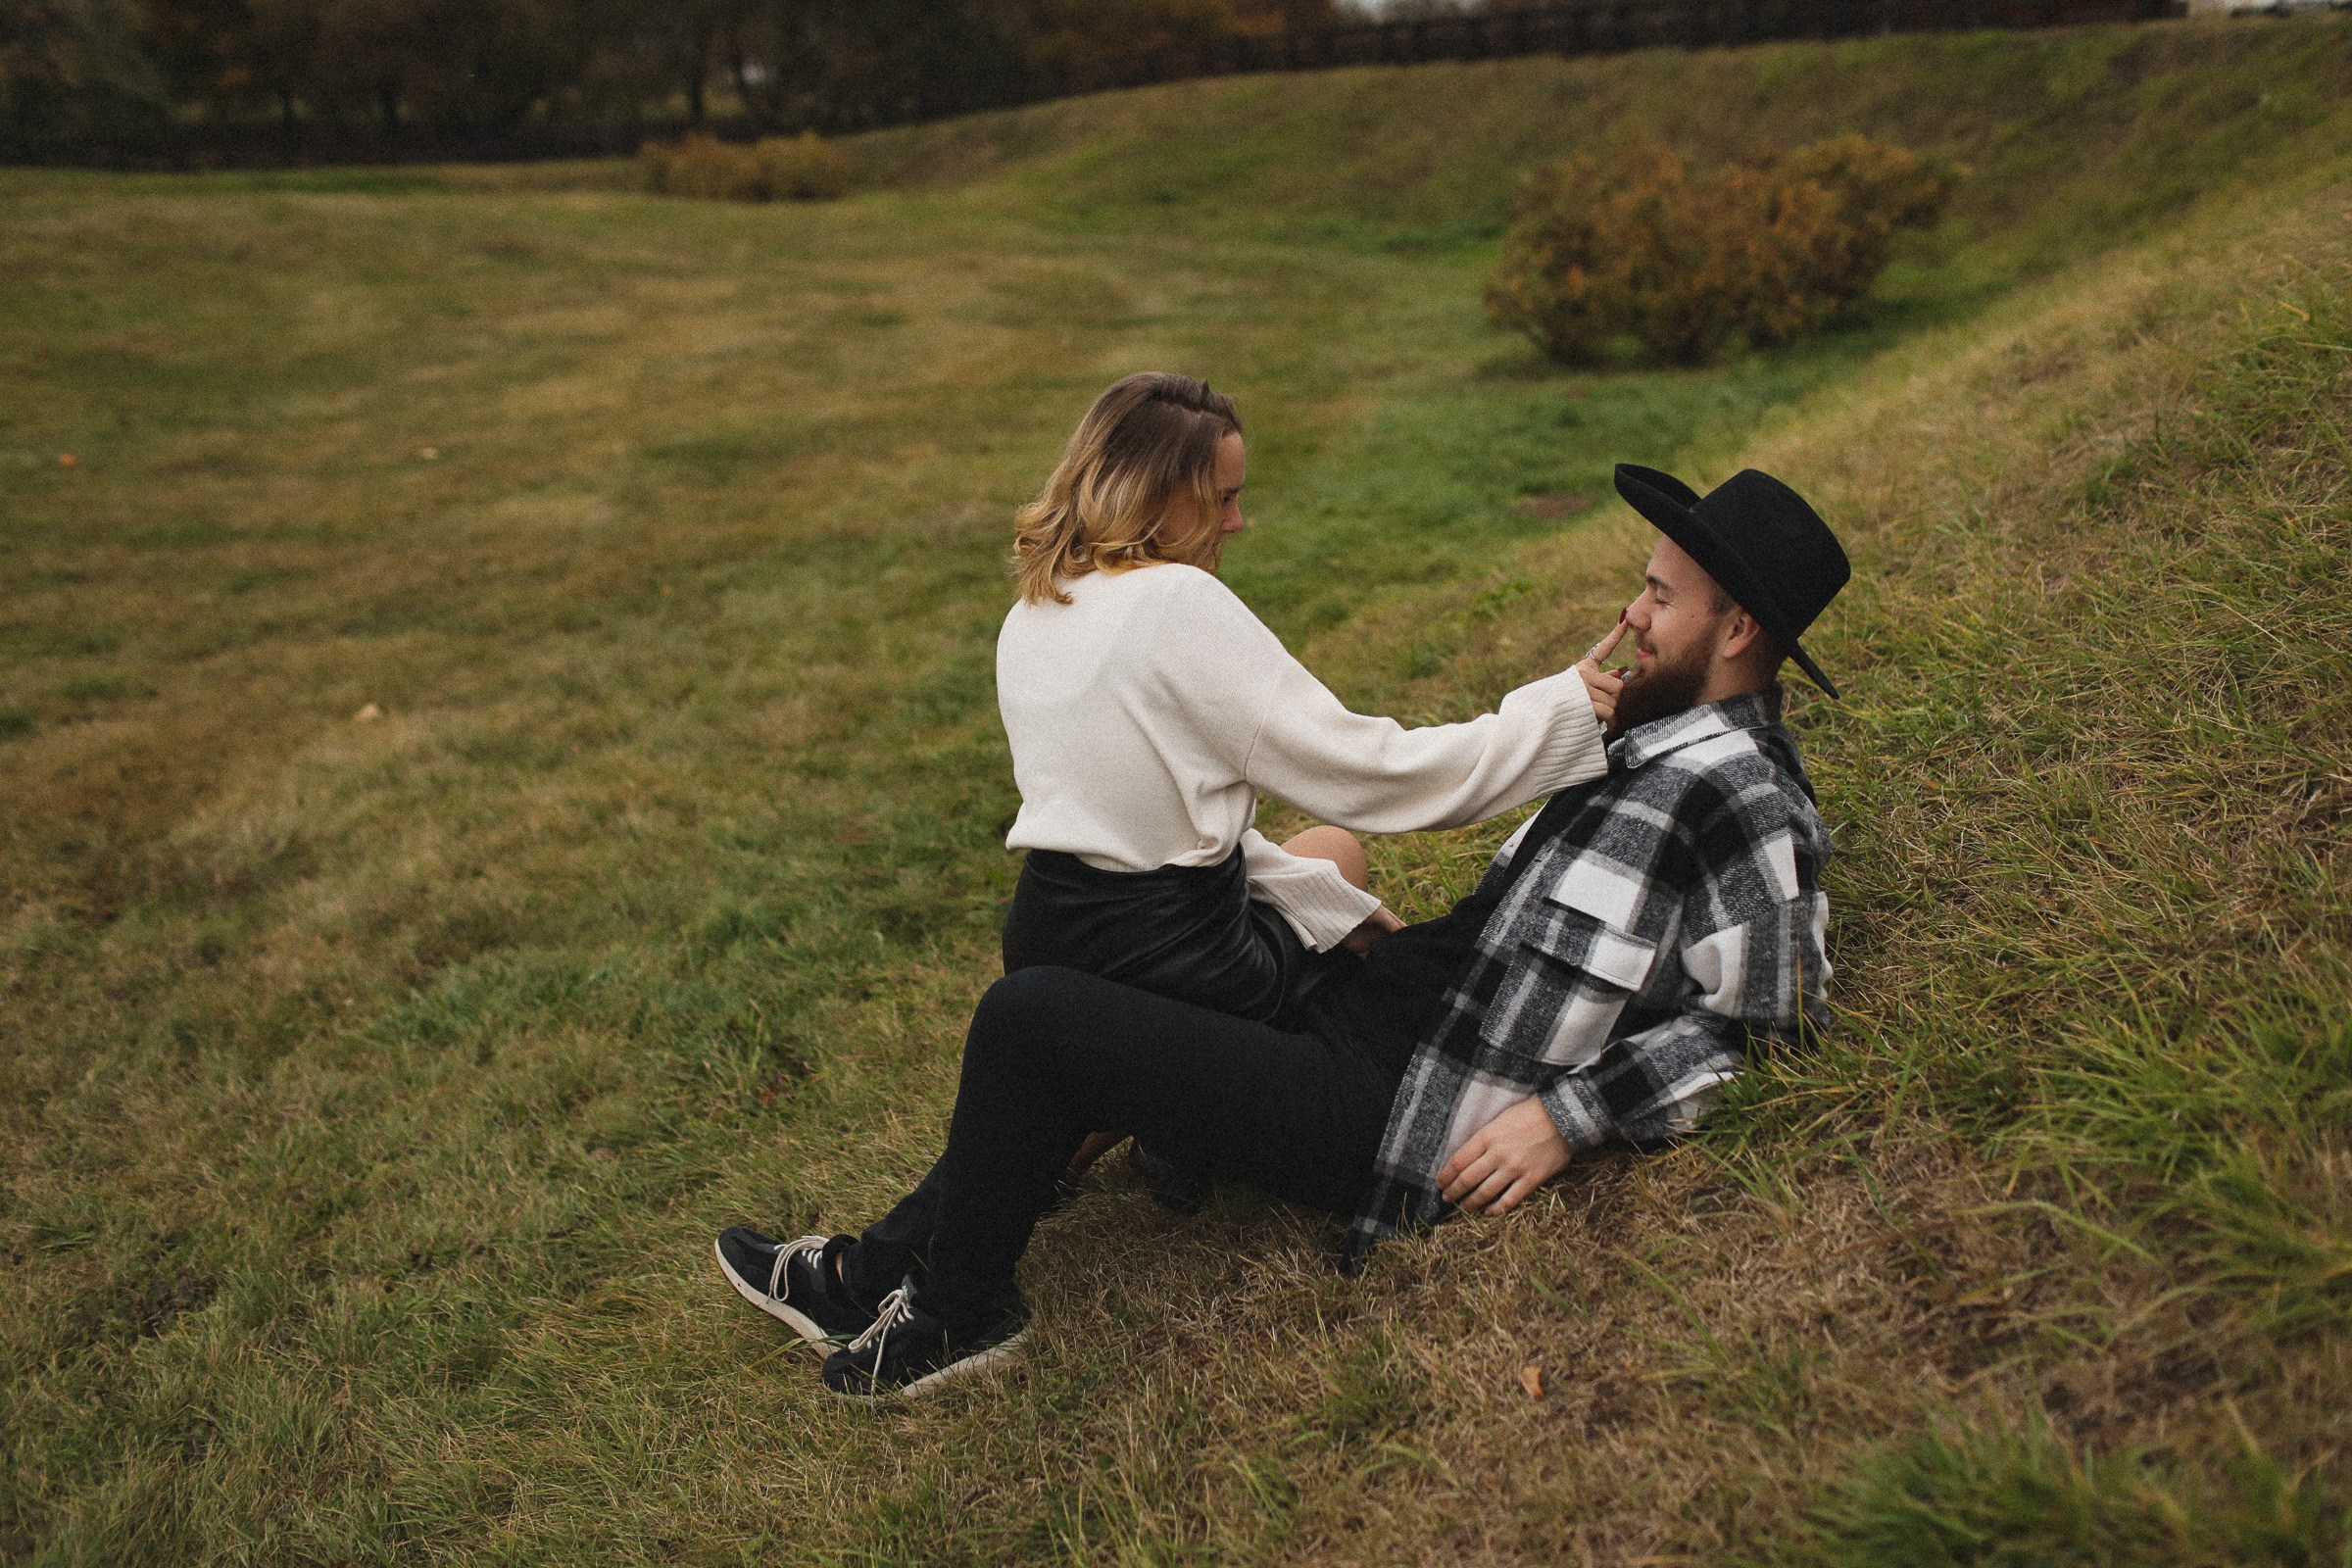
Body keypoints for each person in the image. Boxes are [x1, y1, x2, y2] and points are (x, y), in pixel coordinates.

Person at [714, 461, 1851, 1400]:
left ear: (1739, 625)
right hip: (1377, 1007)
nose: (1631, 614)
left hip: (1384, 1103)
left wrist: (1566, 1117)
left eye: (1659, 596)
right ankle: (907, 1247)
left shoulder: (1743, 797)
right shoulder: (1650, 737)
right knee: (1241, 899)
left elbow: (1770, 1023)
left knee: (1033, 1017)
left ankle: (955, 1308)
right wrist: (1351, 929)